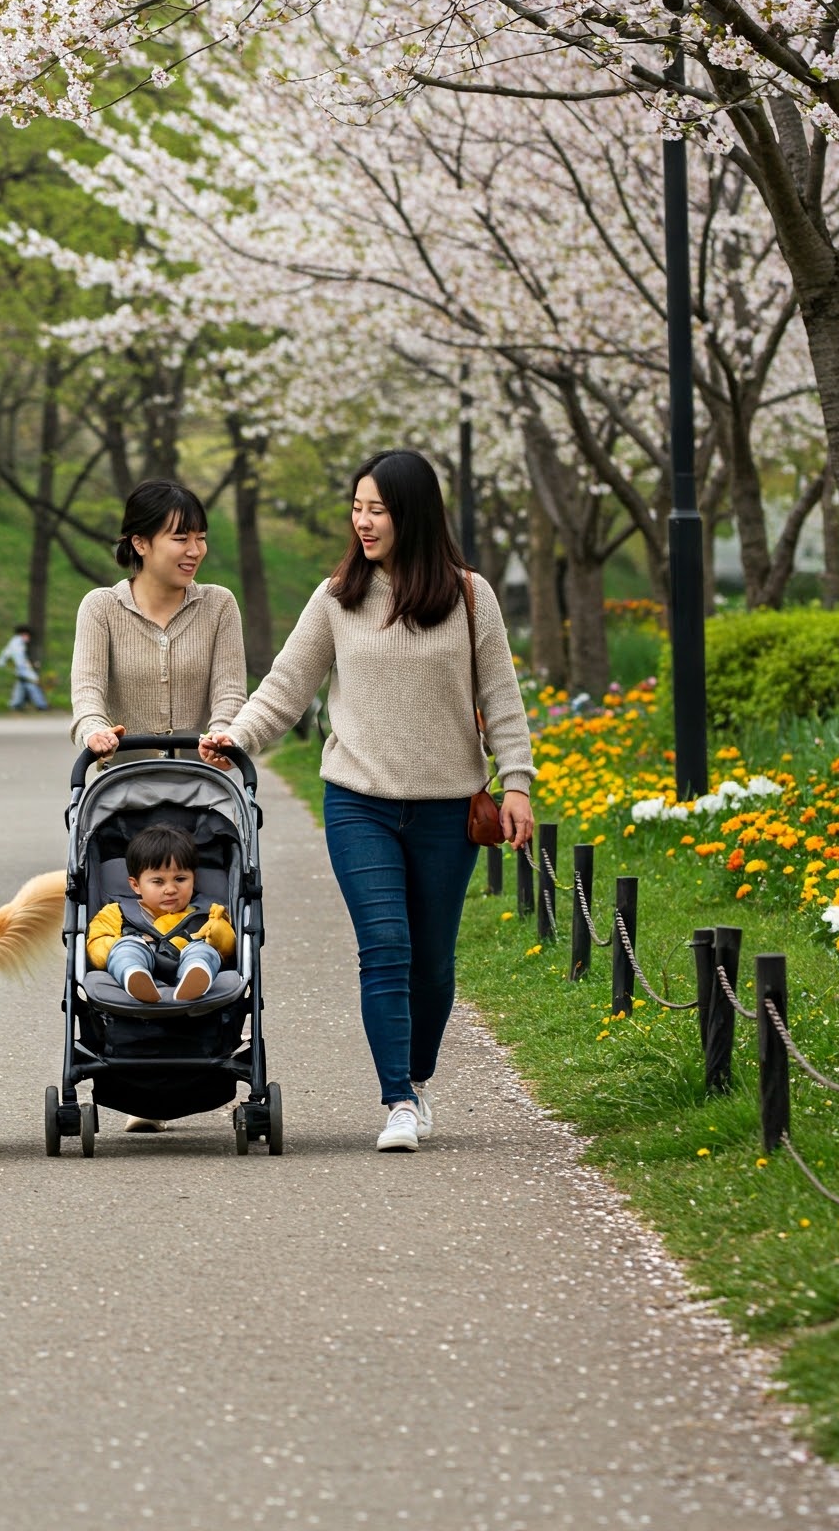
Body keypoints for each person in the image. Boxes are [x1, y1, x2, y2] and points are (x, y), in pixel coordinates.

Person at [203, 448, 535, 1156]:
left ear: (412, 513)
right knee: (385, 948)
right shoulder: (336, 598)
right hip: (359, 803)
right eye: (356, 508)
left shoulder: (471, 597)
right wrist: (235, 739)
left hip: (448, 807)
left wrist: (517, 784)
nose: (363, 521)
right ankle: (399, 1100)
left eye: (376, 509)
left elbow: (501, 700)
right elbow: (286, 685)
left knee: (434, 963)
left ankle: (417, 1075)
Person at [70, 479, 248, 759]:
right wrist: (95, 731)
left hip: (204, 778)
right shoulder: (101, 607)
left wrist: (221, 739)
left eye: (200, 538)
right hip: (124, 779)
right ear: (140, 543)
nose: (195, 550)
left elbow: (230, 694)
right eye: (180, 539)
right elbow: (87, 693)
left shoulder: (219, 604)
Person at [85, 823, 235, 1003]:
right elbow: (96, 945)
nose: (170, 889)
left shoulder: (207, 912)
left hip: (185, 962)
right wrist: (121, 942)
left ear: (194, 879)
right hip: (140, 960)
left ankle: (197, 974)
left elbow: (228, 947)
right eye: (158, 881)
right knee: (125, 949)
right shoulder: (117, 912)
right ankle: (134, 975)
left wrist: (218, 934)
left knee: (204, 950)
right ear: (136, 885)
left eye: (180, 879)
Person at [0, 624, 49, 711]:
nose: (29, 638)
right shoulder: (17, 644)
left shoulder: (16, 642)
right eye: (28, 636)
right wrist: (31, 674)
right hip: (22, 670)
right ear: (24, 635)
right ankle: (41, 705)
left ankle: (15, 704)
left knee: (21, 686)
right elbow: (19, 660)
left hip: (19, 670)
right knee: (32, 685)